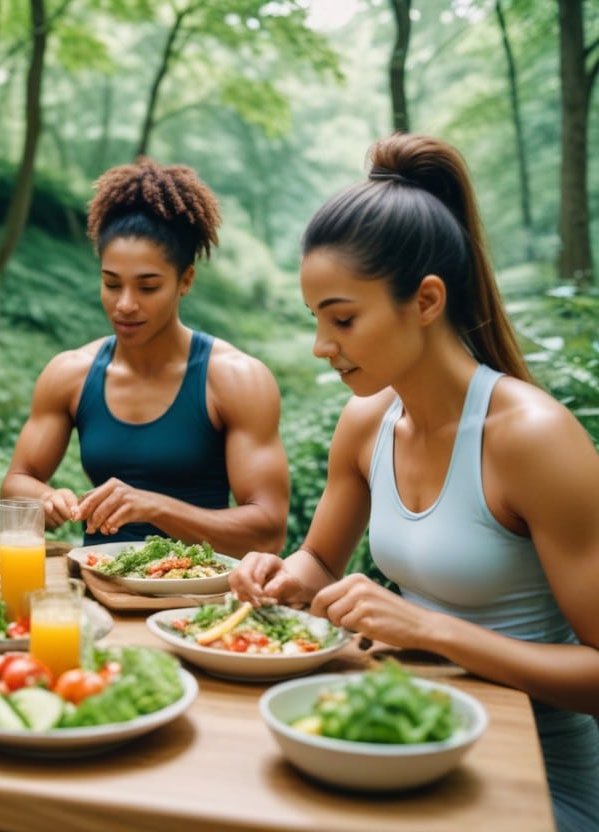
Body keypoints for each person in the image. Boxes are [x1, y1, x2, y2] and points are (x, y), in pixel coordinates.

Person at [228, 133, 599, 831]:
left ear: (425, 300)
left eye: (342, 319)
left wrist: (430, 628)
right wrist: (281, 576)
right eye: (316, 319)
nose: (321, 345)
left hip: (537, 782)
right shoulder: (368, 421)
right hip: (402, 736)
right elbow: (318, 562)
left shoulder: (532, 439)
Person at [0, 158, 289, 554]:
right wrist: (45, 498)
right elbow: (17, 482)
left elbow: (267, 532)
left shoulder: (236, 379)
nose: (125, 305)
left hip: (197, 603)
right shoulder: (71, 373)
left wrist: (153, 507)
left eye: (148, 287)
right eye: (111, 283)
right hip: (99, 592)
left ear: (185, 280)